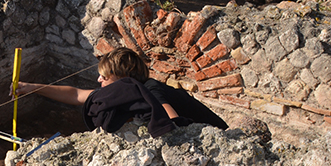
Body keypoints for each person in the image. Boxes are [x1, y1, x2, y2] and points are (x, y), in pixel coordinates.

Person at [15, 47, 228, 136]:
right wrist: (31, 88)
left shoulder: (150, 90)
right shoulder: (130, 91)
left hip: (219, 136)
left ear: (123, 78)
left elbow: (172, 120)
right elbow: (75, 94)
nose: (98, 80)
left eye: (104, 77)